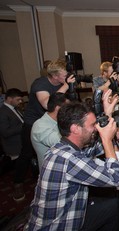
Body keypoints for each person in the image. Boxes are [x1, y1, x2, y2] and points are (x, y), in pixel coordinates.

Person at [26, 90, 119, 230]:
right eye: (93, 125)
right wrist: (107, 139)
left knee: (113, 208)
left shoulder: (64, 147)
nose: (96, 128)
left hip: (72, 213)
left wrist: (108, 117)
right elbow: (115, 178)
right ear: (75, 129)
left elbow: (95, 149)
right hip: (58, 226)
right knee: (115, 206)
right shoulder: (67, 159)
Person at [13, 59, 75, 202]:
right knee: (26, 153)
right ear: (54, 76)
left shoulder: (60, 83)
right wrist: (66, 86)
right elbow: (48, 104)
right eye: (64, 74)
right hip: (33, 123)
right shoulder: (39, 84)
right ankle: (18, 183)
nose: (66, 76)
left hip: (53, 121)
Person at [30, 92, 69, 170]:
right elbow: (63, 144)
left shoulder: (61, 120)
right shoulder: (40, 126)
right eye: (68, 108)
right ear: (58, 108)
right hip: (52, 172)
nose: (70, 111)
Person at [0, 88, 24, 172]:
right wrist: (23, 126)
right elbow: (5, 132)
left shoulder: (15, 108)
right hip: (13, 145)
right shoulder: (2, 112)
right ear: (9, 99)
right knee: (18, 168)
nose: (20, 101)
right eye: (18, 99)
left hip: (21, 141)